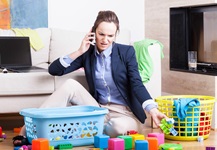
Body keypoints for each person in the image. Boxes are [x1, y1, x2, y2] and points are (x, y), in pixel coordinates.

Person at [13, 10, 166, 146]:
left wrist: (152, 109)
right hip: (98, 110)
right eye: (101, 34)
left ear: (115, 35)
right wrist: (79, 51)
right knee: (70, 85)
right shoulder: (87, 53)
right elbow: (54, 70)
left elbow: (136, 83)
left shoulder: (126, 52)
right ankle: (28, 129)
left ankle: (82, 129)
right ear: (93, 32)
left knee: (117, 127)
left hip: (125, 114)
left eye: (110, 36)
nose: (105, 40)